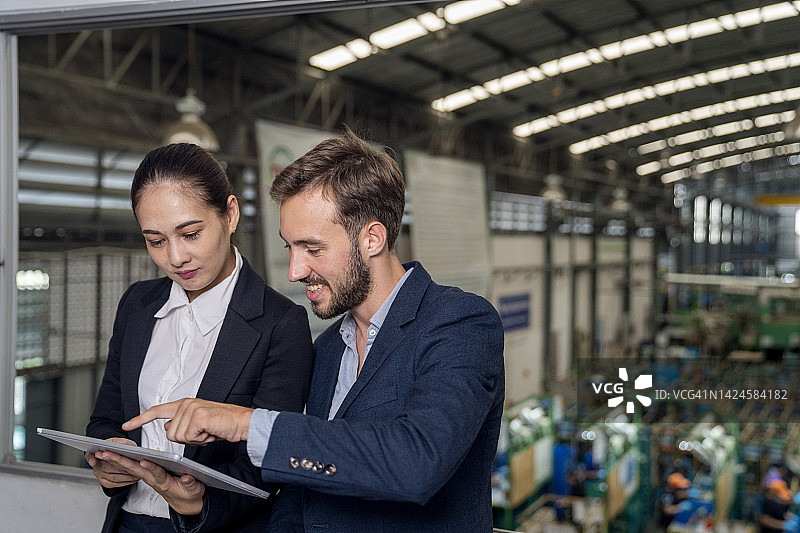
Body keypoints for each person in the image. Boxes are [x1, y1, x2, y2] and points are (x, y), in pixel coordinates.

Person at [123, 130, 506, 532]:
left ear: (372, 238)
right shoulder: (327, 349)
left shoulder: (458, 322)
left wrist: (245, 423)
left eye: (313, 249)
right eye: (290, 248)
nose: (294, 271)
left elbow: (418, 461)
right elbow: (303, 491)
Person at [85, 143, 314, 533]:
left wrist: (199, 502)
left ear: (230, 214)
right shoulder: (138, 305)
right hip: (127, 522)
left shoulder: (280, 324)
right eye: (156, 241)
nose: (176, 258)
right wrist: (107, 457)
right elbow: (107, 417)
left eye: (190, 234)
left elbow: (271, 460)